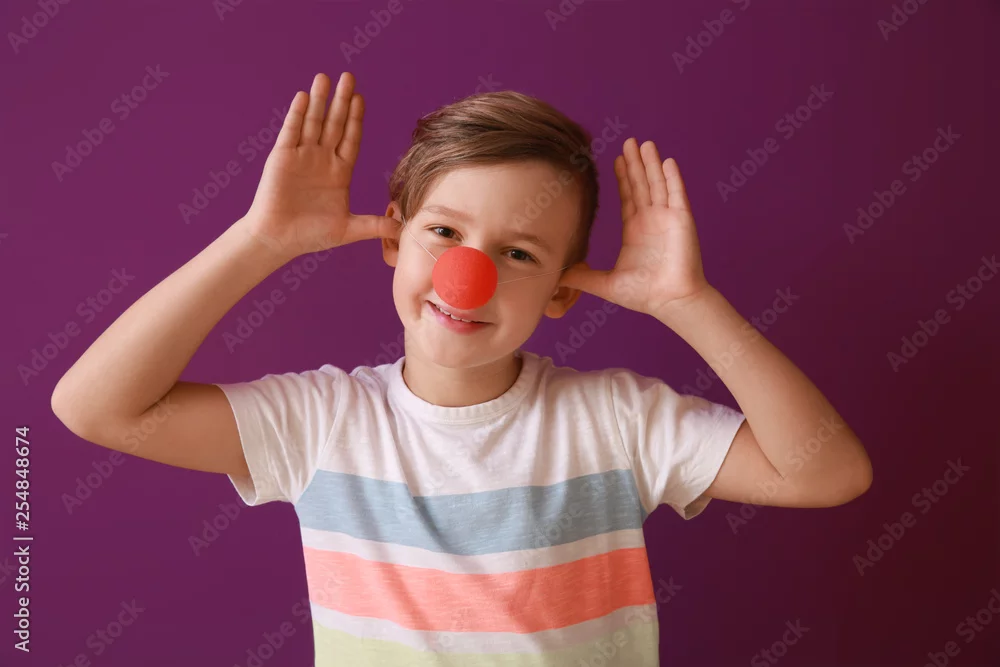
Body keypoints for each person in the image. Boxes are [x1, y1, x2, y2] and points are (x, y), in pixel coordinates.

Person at [51, 71, 872, 666]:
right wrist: (258, 242)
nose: (467, 276)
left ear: (560, 290)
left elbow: (827, 472)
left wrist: (688, 303)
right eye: (444, 232)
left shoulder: (617, 421)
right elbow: (97, 407)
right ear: (394, 238)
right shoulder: (320, 423)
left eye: (518, 253)